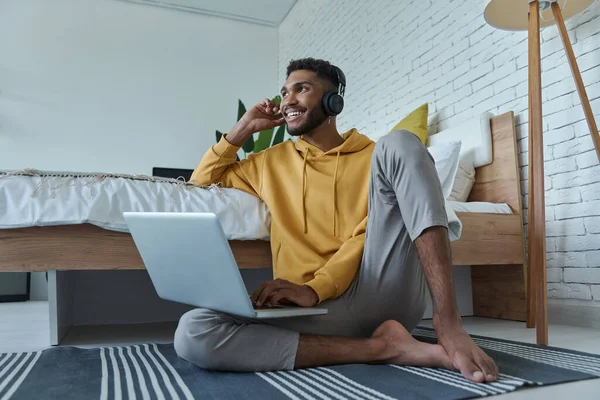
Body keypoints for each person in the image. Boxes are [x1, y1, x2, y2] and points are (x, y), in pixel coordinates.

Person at [175, 58, 499, 383]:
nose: (287, 100)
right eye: (284, 93)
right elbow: (199, 185)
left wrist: (316, 287)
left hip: (377, 290)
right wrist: (243, 128)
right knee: (193, 331)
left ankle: (449, 321)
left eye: (301, 89)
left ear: (333, 101)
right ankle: (382, 348)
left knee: (401, 142)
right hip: (311, 309)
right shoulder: (268, 163)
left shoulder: (377, 159)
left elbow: (366, 233)